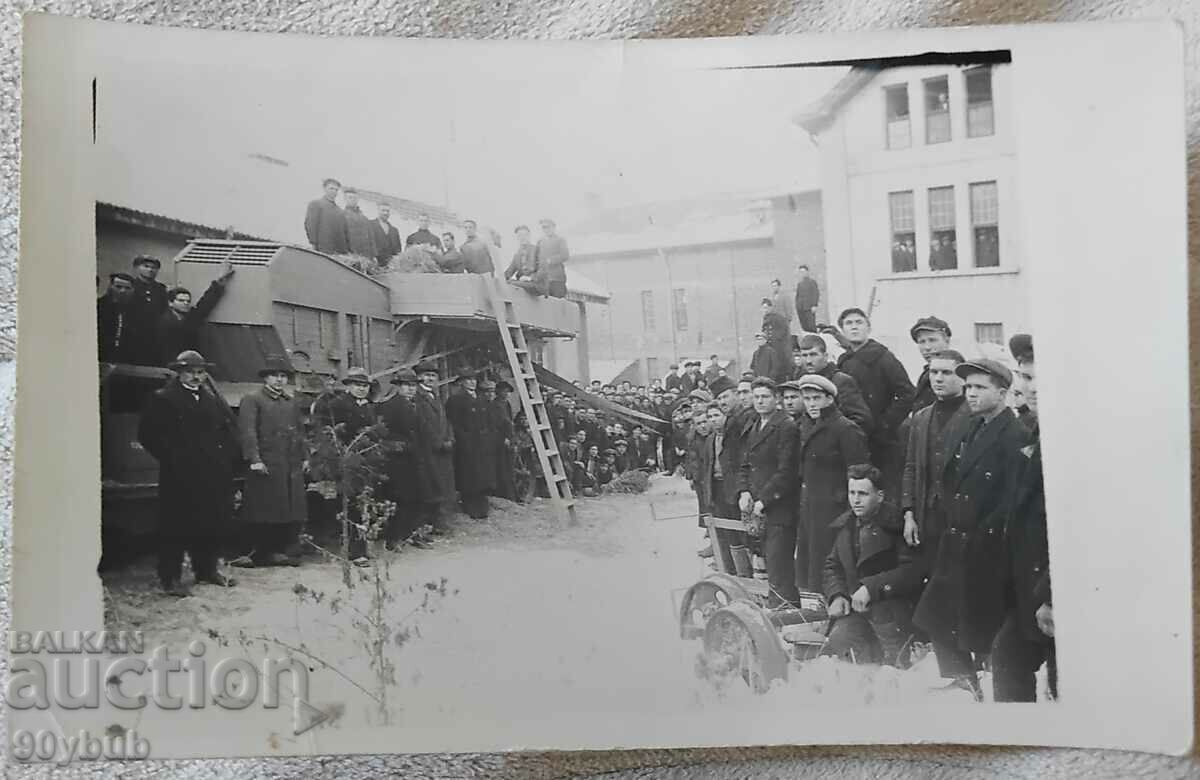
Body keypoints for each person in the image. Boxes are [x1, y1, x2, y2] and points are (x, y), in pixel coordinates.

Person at [913, 358, 1030, 699]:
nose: (971, 394)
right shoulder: (969, 427)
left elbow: (1013, 499)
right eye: (968, 388)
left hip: (989, 546)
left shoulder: (1015, 435)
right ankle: (962, 678)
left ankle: (993, 685)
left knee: (985, 621)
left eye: (980, 387)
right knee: (936, 613)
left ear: (1003, 393)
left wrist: (985, 535)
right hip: (957, 539)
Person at [137, 350, 239, 596]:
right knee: (175, 526)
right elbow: (147, 435)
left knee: (210, 522)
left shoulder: (211, 400)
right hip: (179, 476)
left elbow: (225, 432)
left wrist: (223, 461)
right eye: (191, 372)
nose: (196, 377)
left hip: (211, 474)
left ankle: (206, 570)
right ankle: (170, 578)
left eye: (200, 372)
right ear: (179, 373)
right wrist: (172, 459)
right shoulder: (163, 398)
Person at [899, 349, 973, 683]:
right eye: (933, 372)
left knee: (962, 594)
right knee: (936, 594)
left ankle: (973, 667)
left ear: (962, 378)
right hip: (929, 521)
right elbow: (911, 467)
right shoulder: (922, 417)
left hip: (964, 524)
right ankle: (952, 671)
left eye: (946, 372)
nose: (938, 378)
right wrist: (909, 513)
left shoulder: (974, 414)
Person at [991, 334, 1055, 702]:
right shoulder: (1034, 430)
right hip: (1029, 585)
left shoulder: (1070, 438)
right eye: (1024, 377)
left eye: (1035, 378)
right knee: (1008, 657)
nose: (1027, 388)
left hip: (1057, 588)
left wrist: (1049, 595)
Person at [821, 464, 925, 667]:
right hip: (857, 611)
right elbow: (832, 566)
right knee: (840, 642)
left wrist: (872, 588)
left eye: (863, 493)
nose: (856, 500)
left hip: (894, 614)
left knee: (895, 668)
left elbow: (913, 571)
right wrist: (838, 594)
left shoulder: (898, 527)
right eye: (852, 492)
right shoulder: (846, 526)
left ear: (880, 496)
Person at [792, 374, 870, 593]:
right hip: (810, 507)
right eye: (807, 399)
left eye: (816, 398)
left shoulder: (845, 429)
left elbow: (859, 472)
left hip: (834, 510)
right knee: (810, 560)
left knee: (830, 562)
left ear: (830, 399)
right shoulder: (806, 427)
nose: (812, 404)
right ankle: (816, 610)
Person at [829, 308, 915, 498]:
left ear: (868, 327)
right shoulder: (844, 361)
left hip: (881, 441)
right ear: (842, 330)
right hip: (853, 438)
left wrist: (885, 425)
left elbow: (907, 393)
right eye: (848, 324)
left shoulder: (883, 357)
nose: (854, 327)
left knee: (883, 491)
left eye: (859, 322)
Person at [235, 355, 306, 568]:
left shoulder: (290, 403)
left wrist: (304, 458)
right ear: (266, 378)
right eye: (274, 376)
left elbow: (299, 432)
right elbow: (247, 432)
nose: (279, 380)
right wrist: (254, 459)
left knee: (283, 509)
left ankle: (275, 551)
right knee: (261, 509)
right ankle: (252, 552)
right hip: (265, 463)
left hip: (288, 463)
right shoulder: (253, 399)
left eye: (283, 376)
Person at [738, 378, 800, 608]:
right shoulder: (756, 425)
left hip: (779, 508)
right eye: (756, 397)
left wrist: (764, 500)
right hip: (759, 507)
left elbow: (787, 472)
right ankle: (779, 609)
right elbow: (745, 463)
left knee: (779, 565)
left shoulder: (786, 426)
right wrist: (743, 490)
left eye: (765, 396)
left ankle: (785, 613)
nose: (760, 401)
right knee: (767, 561)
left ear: (777, 399)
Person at [322, 367, 380, 565]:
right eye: (357, 385)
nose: (362, 389)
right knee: (352, 504)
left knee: (366, 503)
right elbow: (330, 433)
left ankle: (363, 546)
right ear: (348, 386)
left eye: (365, 386)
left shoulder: (371, 406)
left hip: (368, 460)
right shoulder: (336, 405)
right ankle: (356, 552)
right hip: (346, 459)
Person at [374, 368, 430, 549]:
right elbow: (383, 432)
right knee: (399, 498)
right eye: (406, 386)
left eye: (413, 386)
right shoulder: (389, 406)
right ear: (398, 387)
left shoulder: (418, 405)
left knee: (417, 496)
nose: (411, 389)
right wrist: (396, 445)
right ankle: (394, 538)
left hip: (416, 457)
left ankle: (412, 534)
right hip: (398, 460)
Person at [158, 260, 236, 365]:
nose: (185, 303)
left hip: (190, 362)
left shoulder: (191, 317)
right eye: (181, 301)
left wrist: (220, 281)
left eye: (188, 301)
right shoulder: (164, 321)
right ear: (170, 303)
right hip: (171, 363)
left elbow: (205, 304)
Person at [794, 334, 873, 435]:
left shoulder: (841, 381)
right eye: (804, 355)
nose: (808, 361)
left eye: (813, 355)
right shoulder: (800, 380)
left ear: (825, 356)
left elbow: (861, 420)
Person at [444, 373, 496, 519]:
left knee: (481, 475)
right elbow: (453, 423)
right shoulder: (455, 400)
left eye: (474, 379)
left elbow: (487, 421)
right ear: (461, 382)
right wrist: (464, 439)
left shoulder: (479, 399)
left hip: (481, 444)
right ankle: (470, 505)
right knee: (468, 475)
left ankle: (481, 503)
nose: (472, 382)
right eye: (468, 380)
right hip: (466, 444)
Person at [97, 272, 152, 365]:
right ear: (110, 287)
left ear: (133, 290)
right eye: (118, 287)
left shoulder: (140, 310)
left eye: (127, 288)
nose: (122, 291)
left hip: (129, 360)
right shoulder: (99, 307)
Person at [909, 316, 953, 413]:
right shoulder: (925, 374)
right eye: (922, 342)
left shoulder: (957, 373)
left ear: (947, 341)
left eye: (932, 340)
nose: (927, 347)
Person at [488, 380, 519, 501]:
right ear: (498, 392)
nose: (506, 394)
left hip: (509, 439)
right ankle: (504, 494)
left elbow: (510, 423)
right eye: (504, 392)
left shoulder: (507, 404)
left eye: (508, 392)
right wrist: (503, 438)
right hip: (499, 441)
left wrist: (512, 438)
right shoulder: (494, 405)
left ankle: (512, 495)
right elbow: (496, 425)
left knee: (509, 467)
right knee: (502, 467)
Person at [305, 178, 349, 255]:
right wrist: (314, 244)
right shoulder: (316, 204)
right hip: (322, 249)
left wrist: (345, 250)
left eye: (336, 190)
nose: (334, 191)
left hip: (339, 252)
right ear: (324, 189)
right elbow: (310, 225)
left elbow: (344, 233)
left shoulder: (340, 211)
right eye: (331, 188)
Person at [535, 218, 569, 298]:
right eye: (543, 227)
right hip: (544, 279)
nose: (546, 229)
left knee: (558, 302)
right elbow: (536, 258)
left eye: (548, 227)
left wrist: (550, 260)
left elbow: (565, 255)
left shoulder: (560, 240)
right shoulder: (540, 242)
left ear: (553, 227)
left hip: (557, 279)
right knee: (545, 303)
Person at [342, 188, 378, 259]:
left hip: (366, 256)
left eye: (355, 198)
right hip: (351, 256)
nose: (353, 199)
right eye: (350, 197)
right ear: (345, 199)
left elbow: (371, 238)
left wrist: (374, 256)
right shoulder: (342, 215)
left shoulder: (364, 218)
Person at [793, 264, 820, 333]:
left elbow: (815, 293)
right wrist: (797, 306)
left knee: (811, 326)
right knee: (804, 326)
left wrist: (814, 305)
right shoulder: (800, 284)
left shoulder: (812, 282)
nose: (802, 274)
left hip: (809, 308)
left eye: (803, 272)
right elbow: (797, 296)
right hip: (800, 308)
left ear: (807, 272)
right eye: (801, 272)